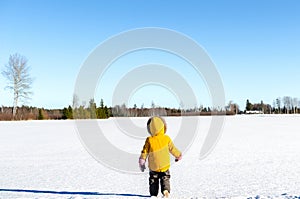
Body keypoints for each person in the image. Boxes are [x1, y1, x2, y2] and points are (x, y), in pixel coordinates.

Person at [139, 116, 182, 198]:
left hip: (153, 166)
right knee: (165, 178)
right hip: (164, 165)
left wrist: (142, 160)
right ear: (163, 127)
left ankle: (153, 195)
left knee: (153, 180)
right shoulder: (166, 138)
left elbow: (145, 151)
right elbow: (173, 149)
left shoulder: (149, 140)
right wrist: (178, 155)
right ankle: (165, 191)